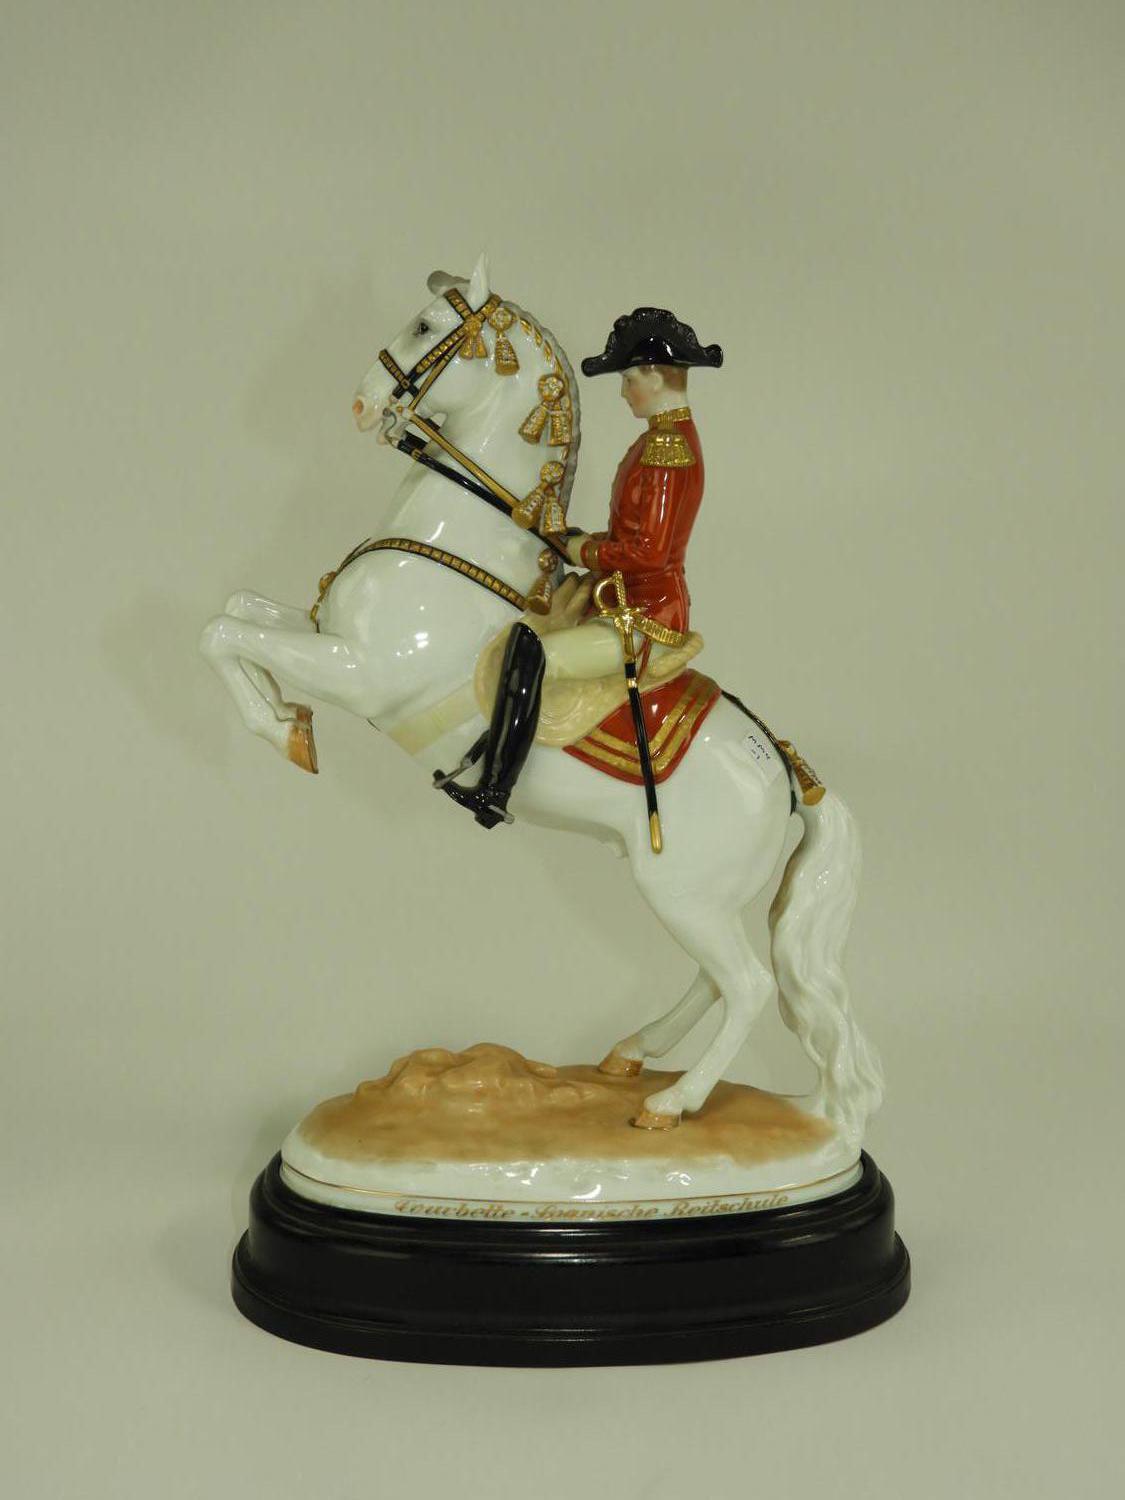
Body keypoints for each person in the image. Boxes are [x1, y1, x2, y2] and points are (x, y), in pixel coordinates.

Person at [438, 307, 723, 828]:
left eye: (629, 379)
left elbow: (649, 553)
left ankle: (496, 788)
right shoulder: (659, 440)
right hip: (621, 595)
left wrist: (583, 551)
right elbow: (632, 537)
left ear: (656, 375)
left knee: (534, 651)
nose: (624, 392)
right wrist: (577, 541)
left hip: (646, 616)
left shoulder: (667, 450)